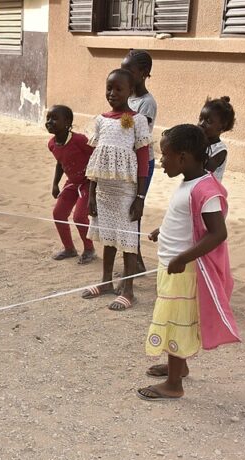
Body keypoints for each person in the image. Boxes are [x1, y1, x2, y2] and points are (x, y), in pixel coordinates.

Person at [137, 124, 240, 401]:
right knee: (176, 318)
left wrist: (183, 258)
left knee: (176, 321)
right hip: (172, 265)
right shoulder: (189, 182)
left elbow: (218, 233)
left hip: (183, 270)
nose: (162, 161)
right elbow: (185, 219)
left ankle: (173, 384)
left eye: (165, 155)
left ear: (182, 157)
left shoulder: (205, 189)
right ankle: (178, 367)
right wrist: (163, 231)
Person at [81, 69, 150, 311]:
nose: (112, 93)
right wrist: (91, 195)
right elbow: (95, 162)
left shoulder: (137, 121)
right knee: (108, 237)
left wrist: (140, 197)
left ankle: (128, 289)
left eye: (119, 89)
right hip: (103, 192)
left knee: (128, 241)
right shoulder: (100, 120)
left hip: (126, 193)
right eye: (109, 88)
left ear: (130, 91)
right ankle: (106, 282)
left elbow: (143, 161)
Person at [122, 50, 158, 273]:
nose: (124, 74)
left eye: (129, 70)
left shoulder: (147, 103)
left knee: (133, 209)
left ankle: (135, 261)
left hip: (141, 163)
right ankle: (135, 261)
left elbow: (134, 131)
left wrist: (120, 112)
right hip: (126, 161)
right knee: (125, 210)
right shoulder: (125, 96)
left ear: (143, 73)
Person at [45, 105, 95, 264]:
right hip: (72, 183)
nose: (49, 122)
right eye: (48, 118)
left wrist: (95, 187)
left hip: (88, 182)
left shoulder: (80, 140)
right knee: (58, 214)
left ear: (67, 122)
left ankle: (89, 249)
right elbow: (60, 163)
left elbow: (96, 157)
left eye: (54, 119)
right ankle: (69, 249)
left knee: (79, 217)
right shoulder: (52, 144)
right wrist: (55, 184)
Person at [199, 96, 235, 182]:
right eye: (200, 119)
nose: (201, 124)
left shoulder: (220, 151)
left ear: (222, 127)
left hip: (208, 189)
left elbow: (204, 172)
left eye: (208, 121)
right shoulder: (199, 142)